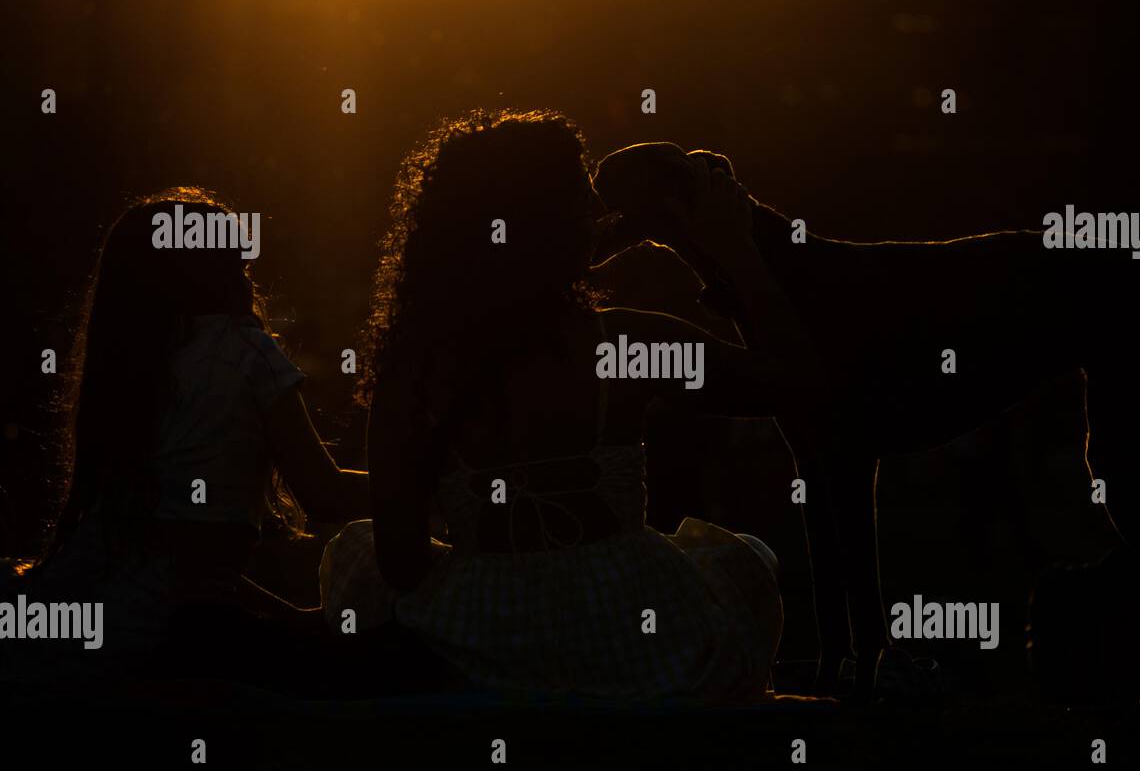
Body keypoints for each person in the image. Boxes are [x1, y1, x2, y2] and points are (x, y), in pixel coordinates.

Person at [321, 109, 825, 701]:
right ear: (552, 224)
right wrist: (735, 252)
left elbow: (402, 564)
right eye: (579, 193)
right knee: (744, 565)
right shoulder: (627, 347)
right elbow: (797, 382)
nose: (598, 209)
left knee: (355, 557)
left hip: (485, 644)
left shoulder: (415, 370)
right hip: (633, 632)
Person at [4, 188, 368, 683]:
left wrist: (291, 618)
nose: (247, 270)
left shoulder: (134, 362)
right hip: (161, 632)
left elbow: (183, 559)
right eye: (236, 260)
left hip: (81, 603)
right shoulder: (247, 352)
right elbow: (323, 495)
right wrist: (427, 483)